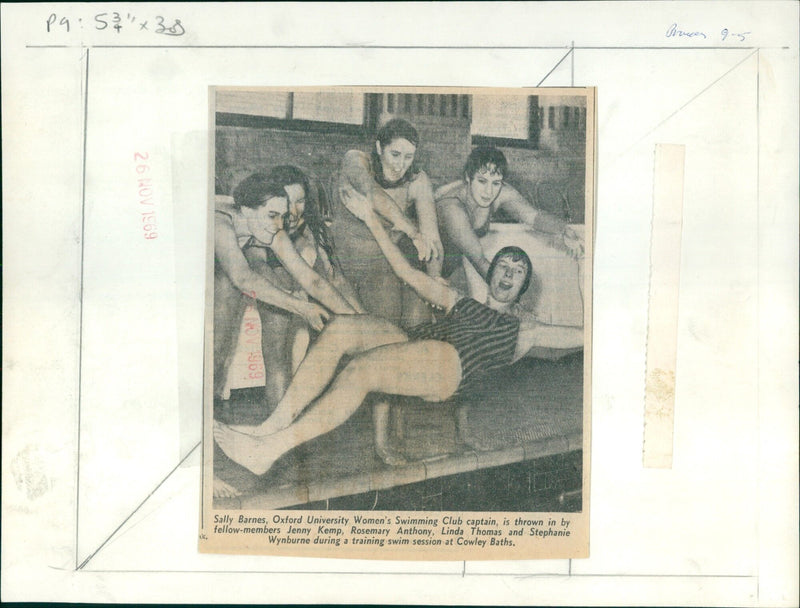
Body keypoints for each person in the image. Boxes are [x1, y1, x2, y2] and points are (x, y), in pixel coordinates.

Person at [213, 186, 584, 477]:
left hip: (452, 364)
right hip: (422, 344)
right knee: (342, 329)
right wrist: (371, 220)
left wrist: (583, 268)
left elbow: (588, 334)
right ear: (491, 272)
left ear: (523, 287)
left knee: (362, 371)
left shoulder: (525, 328)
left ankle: (269, 451)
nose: (507, 273)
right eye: (504, 265)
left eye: (518, 272)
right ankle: (266, 429)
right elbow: (407, 273)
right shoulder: (459, 300)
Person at [213, 170, 361, 405]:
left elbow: (312, 281)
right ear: (247, 209)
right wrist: (301, 307)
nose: (279, 225)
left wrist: (358, 322)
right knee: (217, 339)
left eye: (281, 216)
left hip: (218, 272)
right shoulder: (219, 221)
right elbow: (243, 278)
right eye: (272, 215)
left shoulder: (269, 227)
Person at [330, 118, 443, 328]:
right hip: (347, 265)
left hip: (389, 264)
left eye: (409, 157)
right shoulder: (356, 160)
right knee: (386, 320)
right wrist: (413, 232)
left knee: (419, 314)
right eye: (395, 155)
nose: (401, 165)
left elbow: (433, 239)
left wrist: (434, 280)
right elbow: (373, 194)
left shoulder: (418, 181)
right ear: (379, 148)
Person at [436, 146, 584, 281]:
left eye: (496, 183)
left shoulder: (501, 193)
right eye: (482, 181)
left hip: (453, 269)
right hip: (425, 267)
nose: (488, 191)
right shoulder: (452, 207)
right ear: (468, 177)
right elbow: (479, 261)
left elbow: (533, 217)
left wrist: (564, 229)